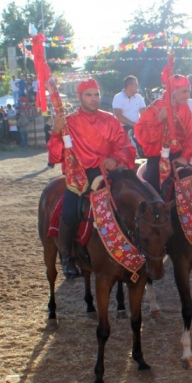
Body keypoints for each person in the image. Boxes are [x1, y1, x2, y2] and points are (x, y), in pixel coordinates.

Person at [47, 79, 136, 277]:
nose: (94, 99)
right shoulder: (68, 123)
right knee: (69, 211)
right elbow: (54, 156)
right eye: (89, 95)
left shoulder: (110, 120)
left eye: (96, 94)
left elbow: (125, 146)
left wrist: (114, 158)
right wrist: (55, 131)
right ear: (79, 97)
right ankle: (67, 257)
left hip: (109, 172)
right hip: (79, 176)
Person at [135, 74, 192, 194]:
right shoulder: (155, 108)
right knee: (153, 195)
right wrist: (158, 119)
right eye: (184, 92)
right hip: (157, 160)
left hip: (179, 158)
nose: (188, 96)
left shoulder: (185, 108)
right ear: (173, 91)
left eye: (189, 91)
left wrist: (185, 156)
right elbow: (141, 135)